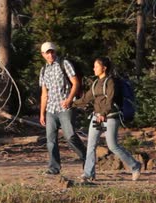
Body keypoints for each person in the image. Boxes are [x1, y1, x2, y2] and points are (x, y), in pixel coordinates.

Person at [73, 56, 141, 182]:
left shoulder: (110, 82)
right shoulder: (95, 83)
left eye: (96, 66)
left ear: (104, 68)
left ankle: (135, 166)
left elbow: (110, 100)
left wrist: (103, 113)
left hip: (110, 117)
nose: (94, 69)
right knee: (91, 145)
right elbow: (86, 99)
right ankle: (88, 173)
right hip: (96, 116)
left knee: (113, 145)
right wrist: (70, 103)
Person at [39, 42, 86, 175]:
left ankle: (86, 158)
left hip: (65, 107)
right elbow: (44, 94)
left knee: (70, 136)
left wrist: (70, 99)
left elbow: (75, 83)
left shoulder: (64, 64)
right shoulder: (43, 70)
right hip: (50, 109)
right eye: (47, 52)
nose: (50, 55)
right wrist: (42, 113)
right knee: (51, 140)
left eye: (52, 51)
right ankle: (54, 167)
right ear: (43, 54)